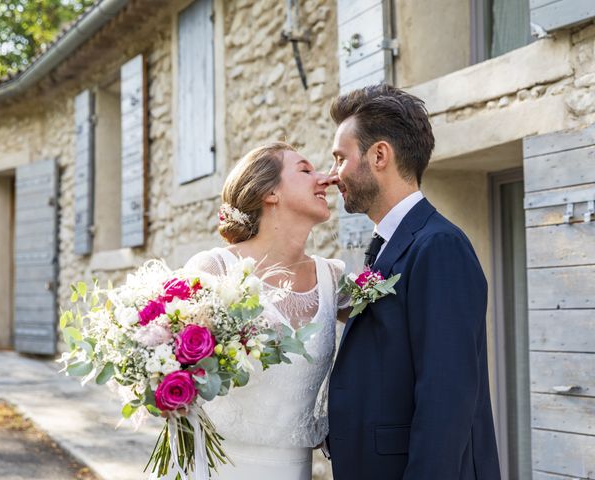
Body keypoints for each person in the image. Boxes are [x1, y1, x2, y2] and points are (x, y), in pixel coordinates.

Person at [325, 84, 501, 479]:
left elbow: (447, 396)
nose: (334, 175)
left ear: (379, 155)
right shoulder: (391, 244)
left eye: (340, 159)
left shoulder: (439, 245)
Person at [182, 142, 348, 480]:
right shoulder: (214, 270)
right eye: (305, 170)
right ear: (269, 192)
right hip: (217, 467)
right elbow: (169, 369)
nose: (325, 178)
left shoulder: (334, 280)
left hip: (293, 469)